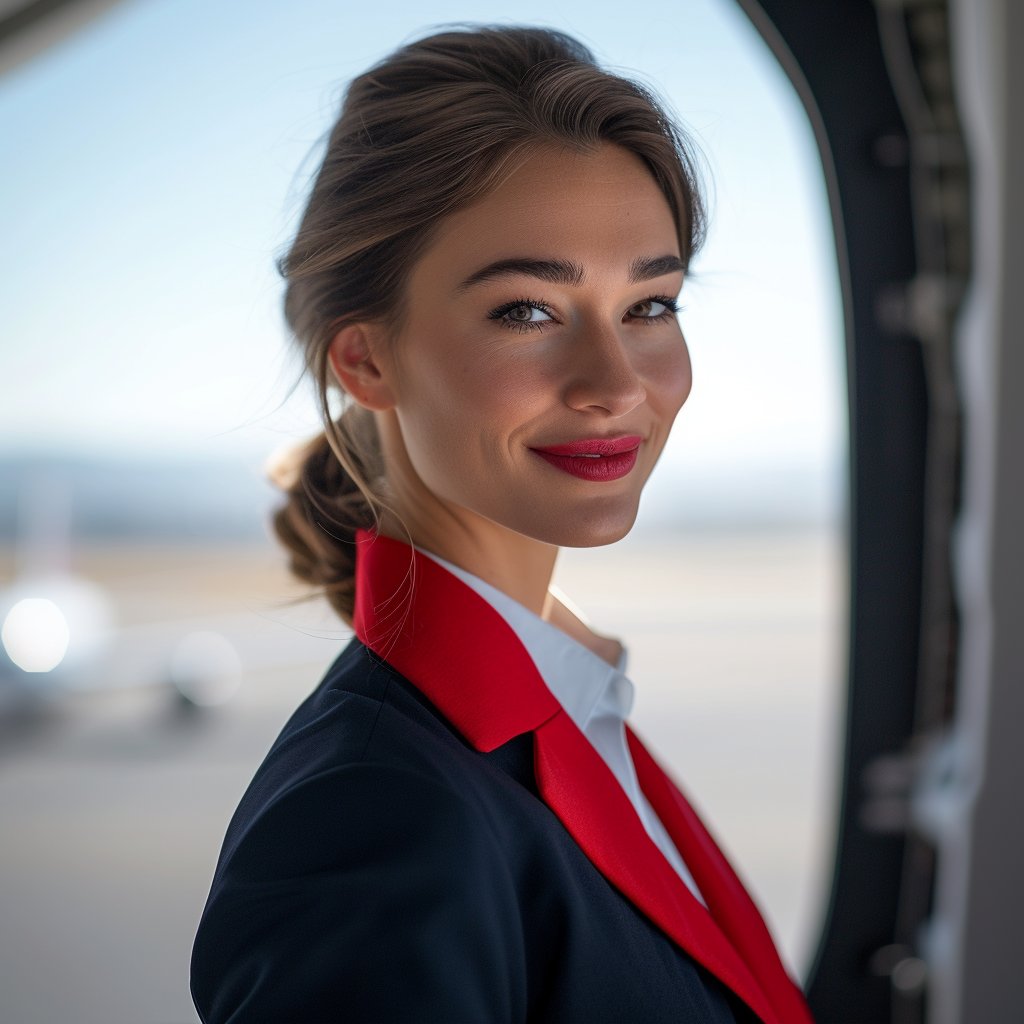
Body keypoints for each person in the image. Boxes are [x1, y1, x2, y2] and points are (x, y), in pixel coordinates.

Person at [190, 25, 813, 1024]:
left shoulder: (558, 711)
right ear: (366, 361)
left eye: (649, 304)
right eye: (527, 311)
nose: (615, 385)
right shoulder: (372, 816)